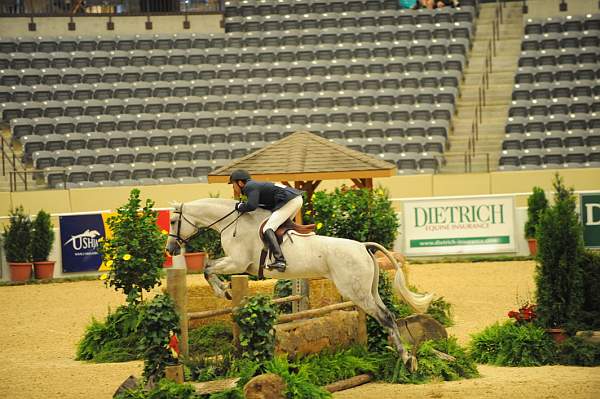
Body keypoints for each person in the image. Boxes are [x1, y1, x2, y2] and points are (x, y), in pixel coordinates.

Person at [229, 169, 303, 272]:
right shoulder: (253, 186)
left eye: (233, 184)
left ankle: (280, 260)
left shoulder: (249, 187)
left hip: (290, 200)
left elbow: (252, 206)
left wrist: (240, 206)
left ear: (240, 183)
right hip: (293, 199)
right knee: (278, 228)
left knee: (268, 228)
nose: (233, 187)